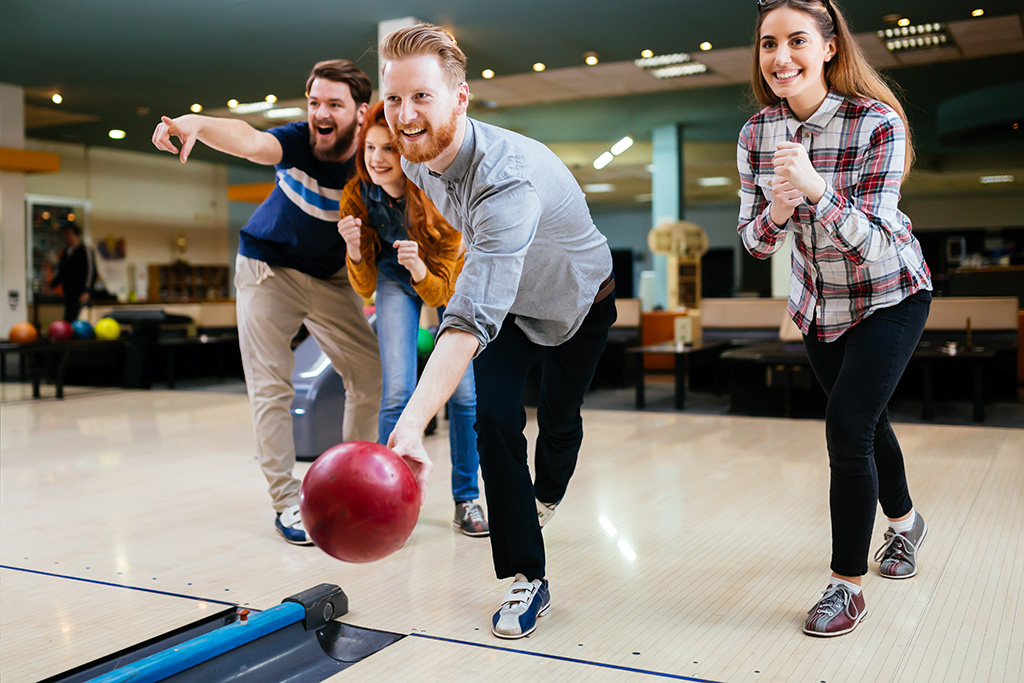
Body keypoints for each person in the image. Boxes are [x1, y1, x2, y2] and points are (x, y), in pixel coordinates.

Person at [378, 24, 616, 640]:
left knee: (560, 422)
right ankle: (527, 578)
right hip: (510, 307)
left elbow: (466, 321)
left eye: (421, 98)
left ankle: (546, 494)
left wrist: (409, 425)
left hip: (580, 303)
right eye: (394, 99)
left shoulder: (507, 180)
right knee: (493, 422)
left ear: (461, 98)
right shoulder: (415, 152)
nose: (405, 117)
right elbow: (480, 300)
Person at [737, 0, 932, 637]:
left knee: (847, 426)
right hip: (819, 306)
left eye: (796, 41)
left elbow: (877, 241)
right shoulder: (756, 134)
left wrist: (819, 191)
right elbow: (753, 242)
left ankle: (845, 586)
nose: (780, 57)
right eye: (769, 44)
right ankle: (905, 526)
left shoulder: (878, 122)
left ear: (828, 48)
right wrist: (778, 207)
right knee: (866, 426)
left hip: (890, 294)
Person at [152, 60, 382, 546]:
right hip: (267, 270)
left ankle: (353, 482)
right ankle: (287, 501)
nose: (321, 113)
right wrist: (196, 124)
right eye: (314, 102)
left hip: (331, 277)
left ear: (361, 113)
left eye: (334, 105)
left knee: (369, 375)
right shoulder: (298, 141)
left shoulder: (374, 155)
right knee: (271, 386)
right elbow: (249, 138)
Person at [337, 100, 488, 537]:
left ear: (406, 148)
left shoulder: (438, 197)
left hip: (449, 276)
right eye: (370, 148)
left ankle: (467, 499)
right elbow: (364, 286)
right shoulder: (358, 194)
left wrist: (421, 269)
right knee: (397, 390)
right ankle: (394, 501)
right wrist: (352, 248)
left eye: (388, 148)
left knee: (463, 394)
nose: (378, 159)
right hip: (391, 275)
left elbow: (442, 291)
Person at [49, 223, 97, 322]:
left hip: (81, 293)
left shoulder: (85, 250)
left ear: (76, 235)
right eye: (65, 234)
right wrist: (51, 285)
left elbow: (91, 272)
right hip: (69, 293)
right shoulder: (66, 252)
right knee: (69, 319)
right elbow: (62, 272)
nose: (66, 237)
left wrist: (87, 291)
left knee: (81, 319)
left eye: (69, 234)